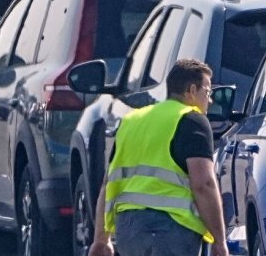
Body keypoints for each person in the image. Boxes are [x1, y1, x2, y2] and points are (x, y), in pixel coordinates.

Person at [89, 58, 228, 256]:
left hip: (129, 231)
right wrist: (219, 241)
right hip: (172, 229)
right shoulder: (192, 119)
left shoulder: (131, 121)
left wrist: (101, 239)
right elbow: (203, 184)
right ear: (191, 90)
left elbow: (108, 183)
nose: (210, 100)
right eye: (207, 92)